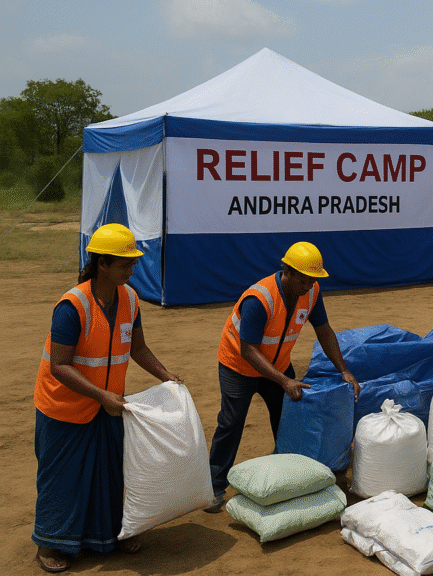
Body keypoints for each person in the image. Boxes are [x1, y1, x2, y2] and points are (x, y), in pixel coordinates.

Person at [33, 224, 182, 573]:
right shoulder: (72, 306)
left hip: (108, 405)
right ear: (102, 264)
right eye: (125, 264)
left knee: (111, 473)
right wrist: (102, 395)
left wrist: (166, 375)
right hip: (64, 408)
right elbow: (59, 366)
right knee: (62, 479)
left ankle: (111, 534)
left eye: (132, 263)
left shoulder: (129, 299)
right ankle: (50, 543)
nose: (131, 270)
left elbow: (138, 348)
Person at [206, 241, 360, 512]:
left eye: (313, 280)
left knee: (287, 419)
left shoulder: (311, 293)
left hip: (277, 365)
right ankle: (214, 486)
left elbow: (324, 330)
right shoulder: (260, 299)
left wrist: (344, 370)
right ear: (287, 271)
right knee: (231, 422)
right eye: (303, 280)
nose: (308, 286)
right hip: (239, 367)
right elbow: (248, 350)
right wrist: (284, 380)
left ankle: (288, 478)